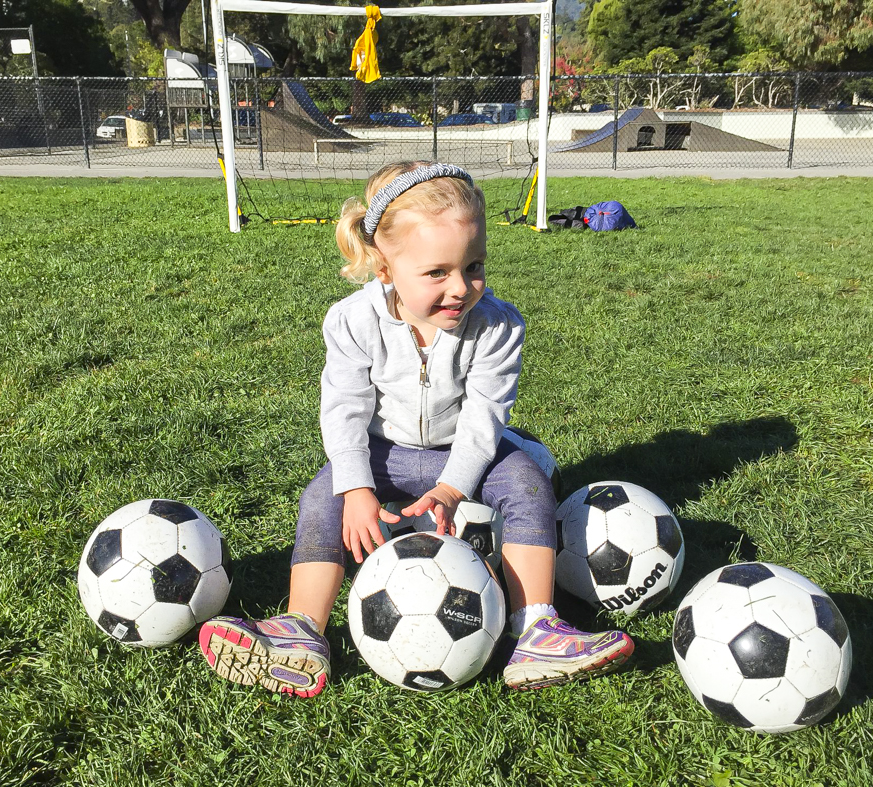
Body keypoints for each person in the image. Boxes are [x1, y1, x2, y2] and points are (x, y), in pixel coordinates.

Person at [199, 161, 634, 698]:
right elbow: (344, 410)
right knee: (321, 497)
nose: (461, 288)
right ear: (385, 269)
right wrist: (356, 489)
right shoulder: (352, 321)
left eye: (474, 266)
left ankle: (536, 629)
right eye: (437, 273)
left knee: (527, 483)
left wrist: (453, 487)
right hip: (385, 450)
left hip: (465, 449)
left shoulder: (498, 325)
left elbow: (484, 416)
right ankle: (301, 628)